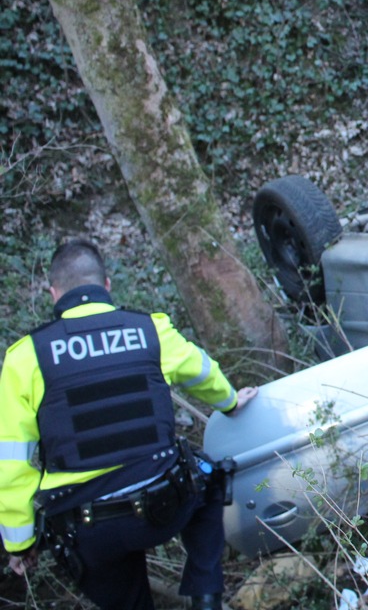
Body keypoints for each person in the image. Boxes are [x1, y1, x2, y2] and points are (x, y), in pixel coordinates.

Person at [0, 238, 258, 610]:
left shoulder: (25, 358)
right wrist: (231, 402)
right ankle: (205, 597)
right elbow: (201, 370)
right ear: (106, 285)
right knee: (211, 478)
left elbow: (12, 463)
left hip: (86, 527)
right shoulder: (148, 328)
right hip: (163, 503)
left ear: (54, 293)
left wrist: (20, 544)